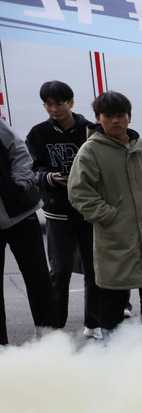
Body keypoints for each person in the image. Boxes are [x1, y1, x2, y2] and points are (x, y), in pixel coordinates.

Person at [67, 91, 142, 332]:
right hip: (115, 236)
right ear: (98, 118)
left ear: (129, 117)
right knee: (112, 299)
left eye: (120, 115)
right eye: (108, 116)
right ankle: (113, 355)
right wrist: (109, 216)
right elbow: (79, 192)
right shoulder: (90, 151)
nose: (115, 121)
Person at [25, 79, 100, 337]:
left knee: (94, 268)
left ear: (71, 102)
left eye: (59, 103)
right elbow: (31, 169)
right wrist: (49, 177)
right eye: (48, 104)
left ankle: (93, 323)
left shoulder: (91, 130)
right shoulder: (37, 134)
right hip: (57, 211)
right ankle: (55, 327)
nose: (54, 109)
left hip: (89, 210)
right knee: (60, 270)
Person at [0, 116, 55, 348]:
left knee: (38, 277)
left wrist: (20, 182)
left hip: (19, 212)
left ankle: (49, 337)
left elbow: (20, 150)